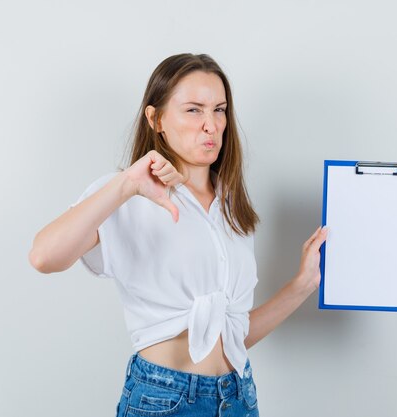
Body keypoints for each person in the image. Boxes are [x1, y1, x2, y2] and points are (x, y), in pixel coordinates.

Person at [29, 53, 328, 417]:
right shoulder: (125, 195)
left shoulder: (231, 206)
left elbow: (232, 337)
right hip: (164, 400)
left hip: (238, 397)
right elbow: (45, 256)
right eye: (193, 110)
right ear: (156, 119)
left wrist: (302, 285)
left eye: (219, 110)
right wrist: (126, 185)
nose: (211, 125)